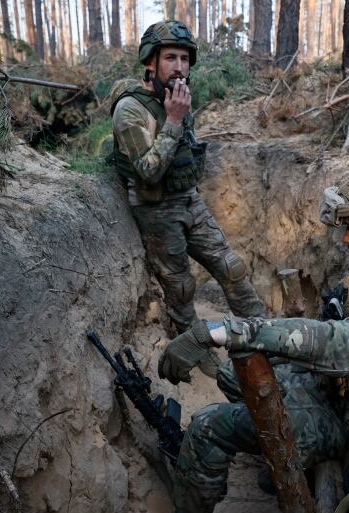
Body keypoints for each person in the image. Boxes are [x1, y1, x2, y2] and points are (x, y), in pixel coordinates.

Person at [158, 166, 349, 513]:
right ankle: (264, 459)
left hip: (347, 428)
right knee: (231, 377)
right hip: (330, 394)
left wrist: (223, 330)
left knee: (206, 426)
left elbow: (337, 340)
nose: (344, 239)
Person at [110, 20, 266, 341]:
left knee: (232, 267)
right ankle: (192, 348)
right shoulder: (130, 109)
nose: (179, 67)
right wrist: (174, 120)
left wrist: (177, 117)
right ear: (151, 62)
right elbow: (148, 171)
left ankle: (265, 332)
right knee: (180, 287)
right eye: (170, 58)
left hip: (188, 200)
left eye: (184, 59)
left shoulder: (176, 96)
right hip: (155, 210)